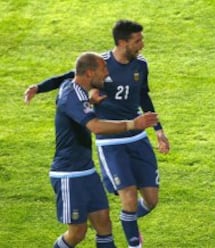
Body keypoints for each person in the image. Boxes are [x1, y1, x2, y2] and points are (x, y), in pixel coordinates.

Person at [24, 20, 170, 248]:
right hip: (81, 164)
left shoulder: (132, 68)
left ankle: (129, 224)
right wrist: (133, 123)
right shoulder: (74, 91)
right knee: (82, 230)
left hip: (92, 166)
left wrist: (157, 130)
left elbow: (141, 95)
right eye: (137, 40)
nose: (107, 75)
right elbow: (95, 126)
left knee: (111, 221)